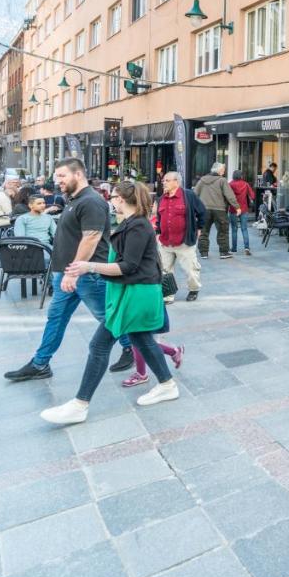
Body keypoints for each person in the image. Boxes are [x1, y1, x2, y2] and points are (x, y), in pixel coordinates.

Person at [40, 181, 180, 424]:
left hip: (135, 294)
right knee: (143, 341)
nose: (110, 200)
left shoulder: (137, 226)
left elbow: (129, 266)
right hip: (134, 292)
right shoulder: (132, 224)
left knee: (99, 345)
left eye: (113, 196)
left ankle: (80, 404)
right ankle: (167, 385)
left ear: (121, 200)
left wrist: (89, 266)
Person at [4, 159, 120, 382]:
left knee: (112, 319)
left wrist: (73, 272)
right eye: (56, 176)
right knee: (56, 318)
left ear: (78, 174)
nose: (58, 181)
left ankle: (149, 351)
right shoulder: (73, 199)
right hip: (67, 274)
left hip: (87, 275)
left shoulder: (92, 201)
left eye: (62, 176)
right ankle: (40, 364)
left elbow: (91, 238)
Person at [155, 172, 208, 302]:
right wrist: (157, 233)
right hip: (165, 242)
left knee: (191, 269)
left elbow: (202, 212)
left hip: (184, 242)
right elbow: (159, 218)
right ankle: (168, 295)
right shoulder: (161, 198)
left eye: (167, 180)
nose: (164, 183)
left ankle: (193, 289)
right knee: (165, 270)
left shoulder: (188, 195)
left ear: (176, 182)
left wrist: (199, 228)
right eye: (164, 181)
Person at [193, 163, 239, 259]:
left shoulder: (202, 180)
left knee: (204, 231)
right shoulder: (222, 180)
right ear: (218, 171)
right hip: (220, 210)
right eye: (223, 170)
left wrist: (194, 208)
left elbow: (194, 194)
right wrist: (237, 207)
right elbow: (229, 195)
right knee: (223, 231)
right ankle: (224, 252)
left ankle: (203, 253)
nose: (224, 171)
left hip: (204, 209)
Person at [228, 170, 256, 256]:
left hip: (233, 209)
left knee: (234, 229)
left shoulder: (230, 184)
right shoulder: (245, 184)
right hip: (244, 209)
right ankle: (246, 247)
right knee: (244, 229)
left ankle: (234, 248)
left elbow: (227, 195)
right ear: (241, 176)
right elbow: (253, 196)